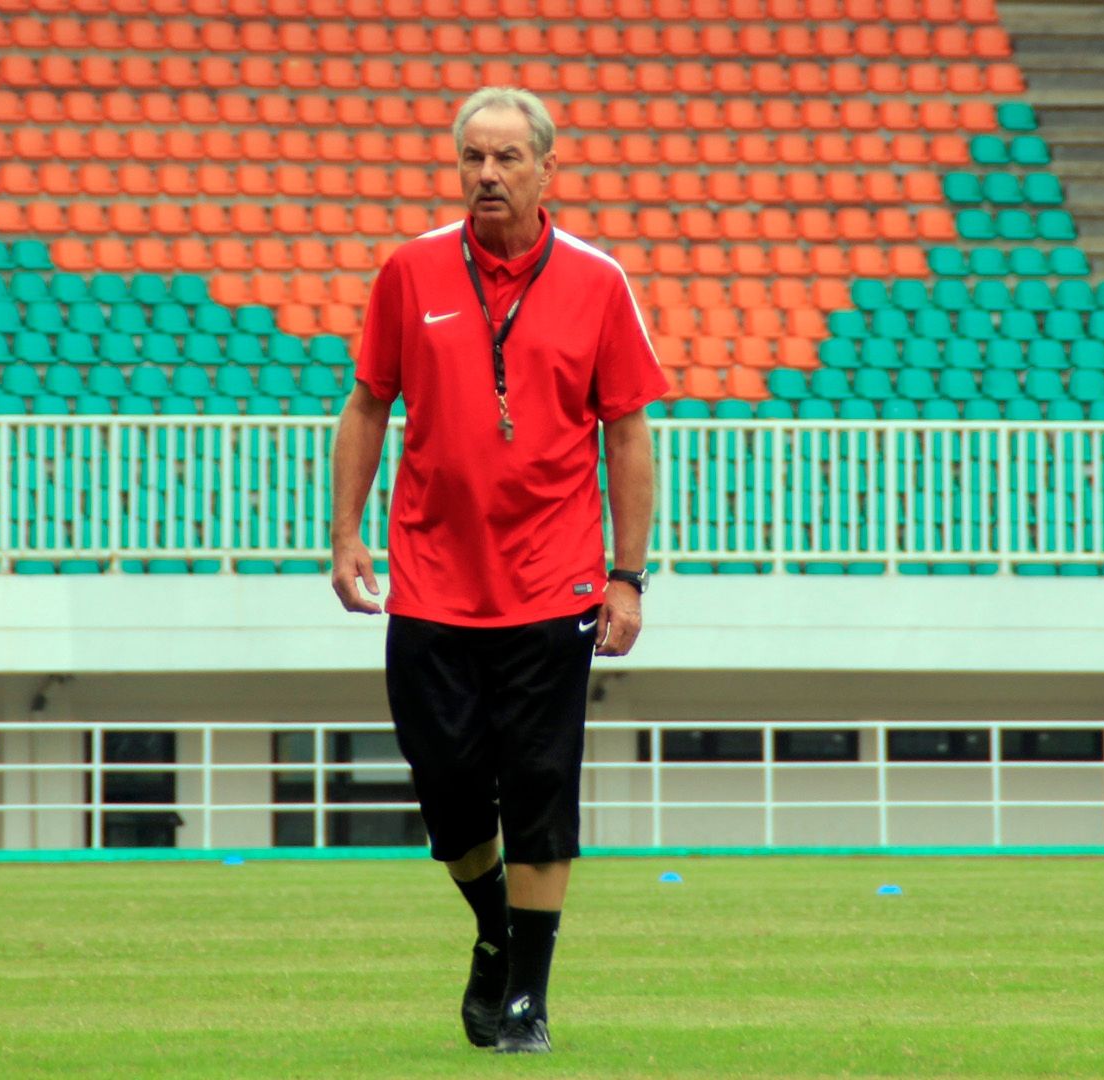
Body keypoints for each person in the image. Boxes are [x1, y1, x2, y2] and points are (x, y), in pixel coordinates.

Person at [328, 86, 668, 1054]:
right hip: (431, 577)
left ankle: (528, 994)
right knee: (445, 781)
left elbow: (628, 431)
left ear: (546, 169)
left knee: (540, 784)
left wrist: (627, 576)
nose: (487, 173)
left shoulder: (599, 281)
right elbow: (365, 405)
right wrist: (347, 535)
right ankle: (492, 933)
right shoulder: (410, 270)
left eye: (508, 158)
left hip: (554, 578)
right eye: (473, 157)